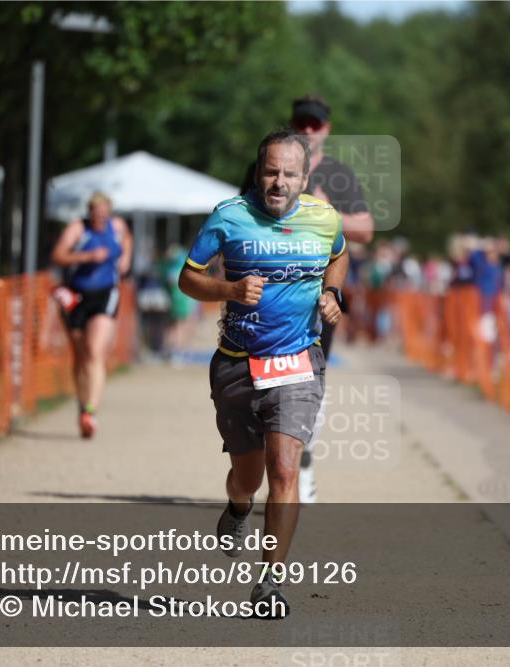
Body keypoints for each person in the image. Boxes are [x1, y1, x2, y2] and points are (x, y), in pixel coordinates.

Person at [179, 128, 347, 618]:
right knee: (245, 478)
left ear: (305, 177)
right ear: (258, 172)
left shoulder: (323, 219)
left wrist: (333, 295)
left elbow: (339, 255)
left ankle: (270, 581)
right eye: (271, 171)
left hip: (298, 361)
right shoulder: (228, 217)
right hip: (236, 365)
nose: (279, 182)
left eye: (289, 174)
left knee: (285, 469)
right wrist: (229, 290)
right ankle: (237, 508)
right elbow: (188, 277)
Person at [241, 95, 374, 503]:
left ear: (326, 130)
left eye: (315, 124)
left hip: (315, 302)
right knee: (258, 386)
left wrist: (328, 212)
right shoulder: (264, 169)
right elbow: (239, 217)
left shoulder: (337, 174)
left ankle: (299, 467)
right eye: (302, 122)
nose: (308, 130)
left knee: (304, 386)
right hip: (263, 300)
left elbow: (366, 230)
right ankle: (274, 469)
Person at [50, 192, 133, 439]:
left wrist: (125, 259)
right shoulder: (78, 228)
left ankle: (90, 411)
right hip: (76, 295)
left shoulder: (117, 226)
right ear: (89, 212)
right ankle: (82, 403)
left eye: (104, 214)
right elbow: (58, 256)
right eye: (96, 214)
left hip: (106, 293)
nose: (100, 219)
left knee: (95, 351)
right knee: (79, 354)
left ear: (109, 212)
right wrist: (86, 256)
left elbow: (127, 239)